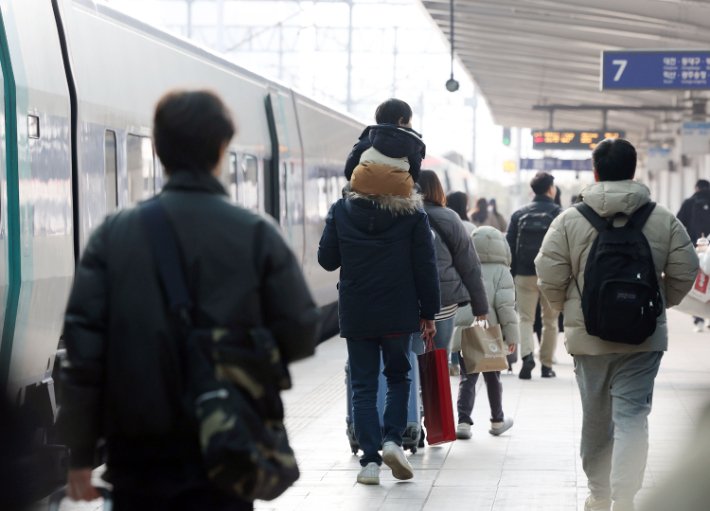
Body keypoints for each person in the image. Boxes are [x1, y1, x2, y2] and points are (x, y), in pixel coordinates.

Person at [57, 90, 320, 511]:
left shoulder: (114, 235)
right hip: (227, 439)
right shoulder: (256, 232)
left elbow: (84, 353)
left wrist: (80, 454)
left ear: (158, 150)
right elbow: (302, 330)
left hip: (137, 451)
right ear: (222, 147)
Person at [535, 138, 698, 511]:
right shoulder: (662, 218)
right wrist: (659, 304)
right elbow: (686, 269)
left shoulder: (569, 219)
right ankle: (625, 497)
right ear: (633, 170)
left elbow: (548, 273)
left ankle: (599, 494)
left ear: (595, 171)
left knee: (596, 419)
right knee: (632, 417)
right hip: (643, 339)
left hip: (588, 340)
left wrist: (569, 313)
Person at [318, 161, 440, 486]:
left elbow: (326, 260)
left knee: (363, 385)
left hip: (357, 311)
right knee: (399, 376)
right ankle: (393, 442)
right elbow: (425, 267)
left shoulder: (341, 211)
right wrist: (428, 313)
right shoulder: (413, 215)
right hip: (399, 312)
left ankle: (369, 461)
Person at [412, 171, 488, 365]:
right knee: (438, 360)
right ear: (438, 189)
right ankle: (435, 394)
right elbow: (469, 265)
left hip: (411, 300)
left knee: (411, 361)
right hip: (443, 301)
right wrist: (480, 307)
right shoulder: (449, 217)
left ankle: (416, 394)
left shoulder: (404, 215)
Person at [454, 226, 519, 440]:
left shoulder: (464, 266)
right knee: (493, 378)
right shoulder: (502, 272)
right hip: (492, 333)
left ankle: (463, 422)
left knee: (468, 378)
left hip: (467, 331)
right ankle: (497, 420)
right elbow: (506, 307)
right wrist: (512, 337)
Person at [506, 171, 561, 379]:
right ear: (550, 189)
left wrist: (512, 274)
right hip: (551, 274)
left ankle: (527, 356)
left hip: (524, 273)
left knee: (525, 318)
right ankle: (546, 366)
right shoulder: (558, 213)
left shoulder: (519, 214)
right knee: (550, 321)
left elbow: (510, 246)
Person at [344, 98, 425, 197]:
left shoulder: (365, 141)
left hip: (363, 201)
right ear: (401, 120)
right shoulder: (412, 145)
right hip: (398, 202)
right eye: (410, 121)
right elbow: (414, 177)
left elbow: (349, 172)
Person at [445, 191, 477, 376]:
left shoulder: (443, 222)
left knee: (450, 323)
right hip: (464, 283)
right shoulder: (470, 227)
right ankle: (459, 360)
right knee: (463, 323)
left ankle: (451, 360)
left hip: (447, 282)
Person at [676, 179, 710, 332]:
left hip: (694, 249)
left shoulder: (689, 203)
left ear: (696, 188)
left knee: (698, 284)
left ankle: (699, 319)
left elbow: (678, 224)